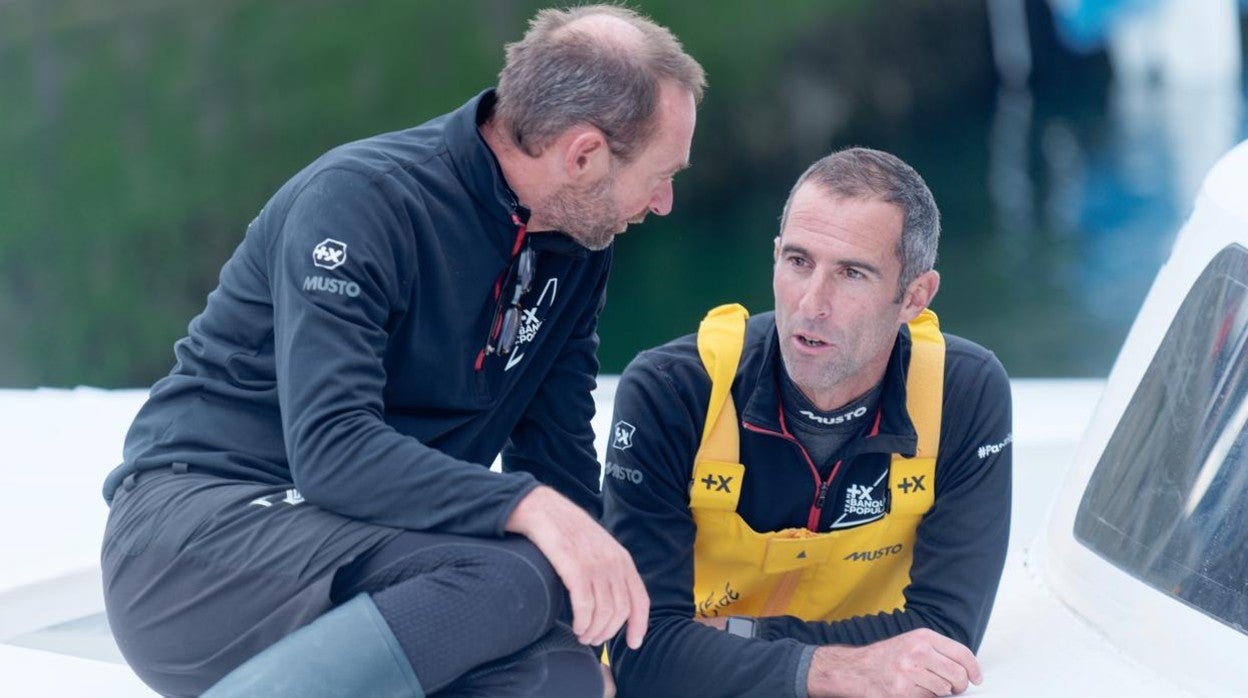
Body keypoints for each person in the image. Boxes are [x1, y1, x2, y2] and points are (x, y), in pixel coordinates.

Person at [100, 6, 704, 697]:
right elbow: (333, 448)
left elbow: (557, 455)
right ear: (584, 154)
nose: (663, 202)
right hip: (196, 544)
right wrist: (530, 508)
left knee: (558, 673)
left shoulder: (575, 250)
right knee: (517, 573)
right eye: (663, 173)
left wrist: (589, 616)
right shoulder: (363, 201)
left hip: (376, 555)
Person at [603, 147, 1013, 697]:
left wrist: (726, 639)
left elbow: (943, 636)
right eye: (798, 262)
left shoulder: (963, 392)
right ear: (775, 257)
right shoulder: (672, 392)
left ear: (914, 296)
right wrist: (837, 669)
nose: (811, 304)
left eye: (851, 273)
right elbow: (643, 653)